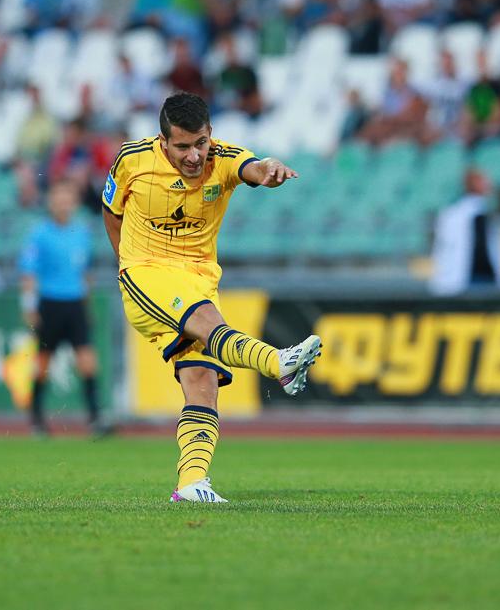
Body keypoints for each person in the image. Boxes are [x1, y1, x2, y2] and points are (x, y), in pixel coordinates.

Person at [102, 91, 322, 503]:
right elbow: (111, 211)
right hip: (146, 273)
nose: (193, 156)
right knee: (211, 325)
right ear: (163, 141)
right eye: (182, 146)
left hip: (199, 280)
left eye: (200, 143)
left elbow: (252, 168)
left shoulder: (223, 158)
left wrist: (268, 170)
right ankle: (279, 363)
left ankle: (191, 483)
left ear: (210, 135)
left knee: (202, 381)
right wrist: (126, 263)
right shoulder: (131, 160)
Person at [20, 182, 106, 437]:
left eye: (67, 198)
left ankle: (95, 418)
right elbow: (28, 274)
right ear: (51, 203)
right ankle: (36, 419)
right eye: (58, 197)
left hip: (75, 304)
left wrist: (87, 306)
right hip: (50, 303)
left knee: (88, 362)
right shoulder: (39, 234)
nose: (63, 203)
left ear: (74, 203)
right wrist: (29, 307)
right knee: (43, 363)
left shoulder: (81, 233)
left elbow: (85, 274)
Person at [430, 168, 500, 296]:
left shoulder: (487, 214)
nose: (488, 184)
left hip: (488, 280)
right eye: (483, 181)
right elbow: (443, 250)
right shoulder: (452, 215)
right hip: (461, 281)